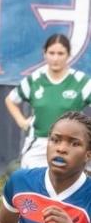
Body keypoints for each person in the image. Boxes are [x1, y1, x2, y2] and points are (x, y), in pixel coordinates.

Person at [5, 34, 91, 169]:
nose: (55, 58)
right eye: (51, 53)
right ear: (44, 54)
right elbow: (11, 100)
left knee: (71, 185)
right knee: (32, 184)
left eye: (60, 53)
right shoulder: (35, 79)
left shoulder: (81, 81)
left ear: (68, 55)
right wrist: (21, 121)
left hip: (70, 145)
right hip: (39, 143)